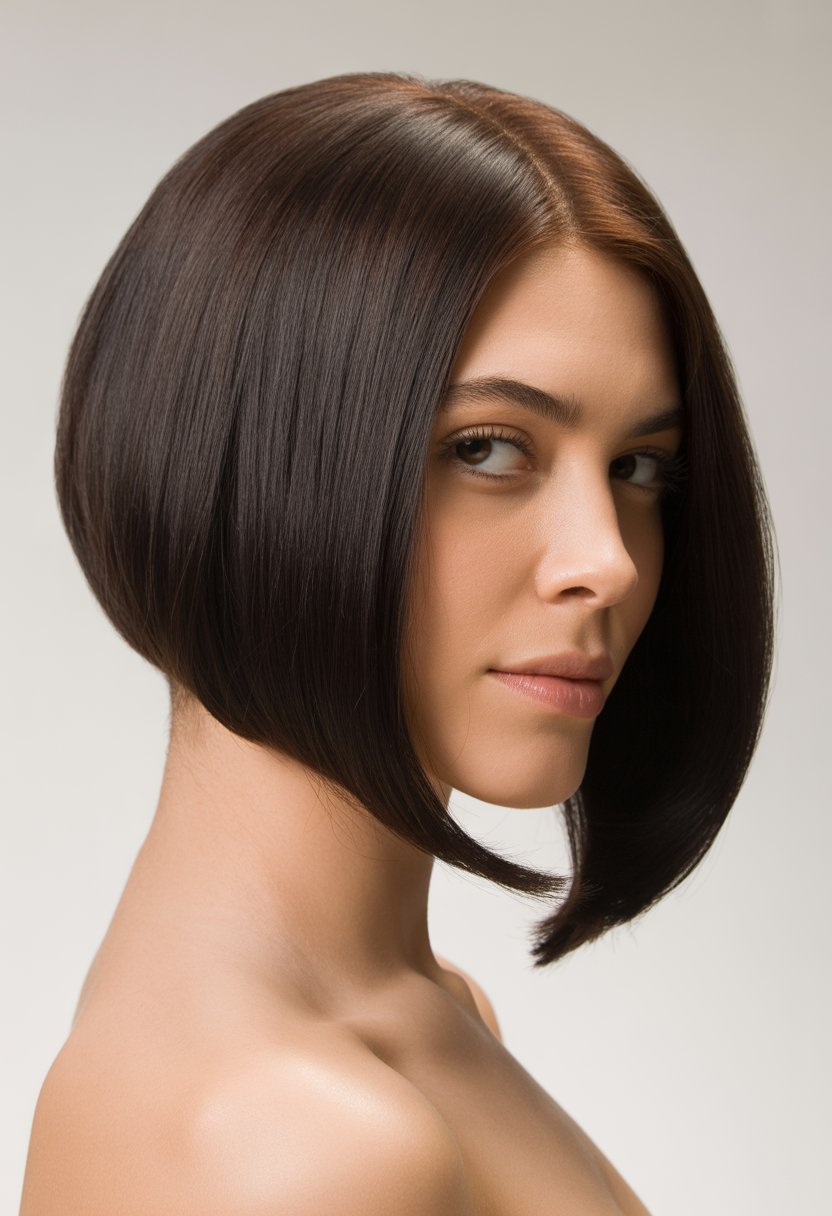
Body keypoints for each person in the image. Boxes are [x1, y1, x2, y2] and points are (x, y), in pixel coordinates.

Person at [20, 71, 775, 1215]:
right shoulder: (286, 1146)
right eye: (488, 448)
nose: (609, 559)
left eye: (637, 468)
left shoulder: (431, 1016)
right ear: (246, 466)